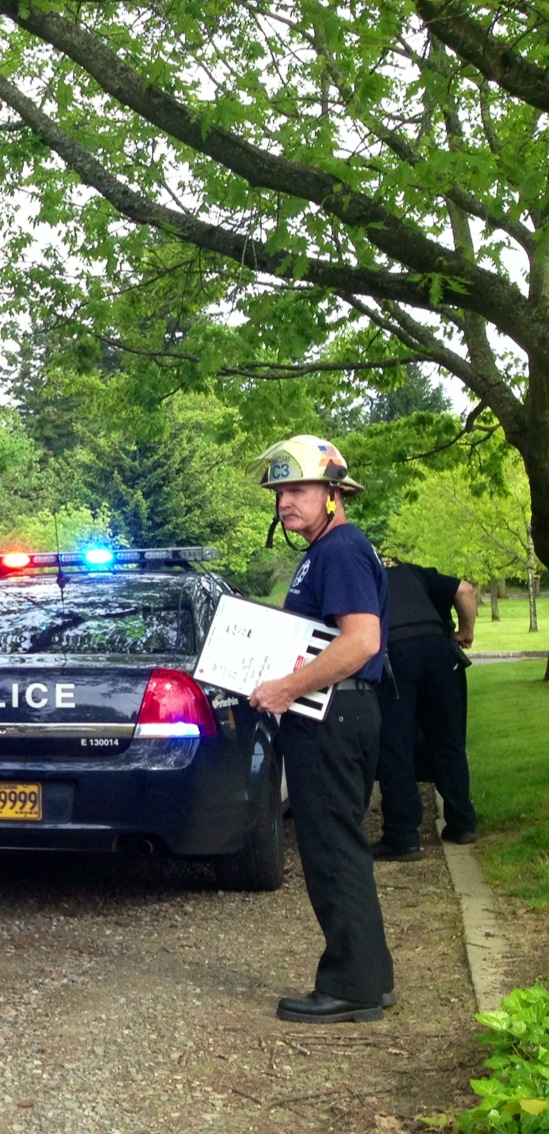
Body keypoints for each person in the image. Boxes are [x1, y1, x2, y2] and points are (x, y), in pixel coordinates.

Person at [248, 435, 395, 1024]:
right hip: (333, 714)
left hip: (334, 716)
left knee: (332, 852)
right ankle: (369, 977)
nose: (285, 502)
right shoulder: (325, 551)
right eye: (281, 491)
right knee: (339, 848)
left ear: (334, 494)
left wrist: (286, 687)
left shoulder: (340, 551)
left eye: (299, 489)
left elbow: (362, 641)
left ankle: (352, 986)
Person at [372, 561, 479, 859]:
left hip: (394, 653)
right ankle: (462, 822)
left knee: (395, 744)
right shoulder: (414, 572)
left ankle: (403, 835)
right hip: (438, 649)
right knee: (448, 739)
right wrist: (465, 632)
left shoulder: (361, 575)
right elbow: (465, 591)